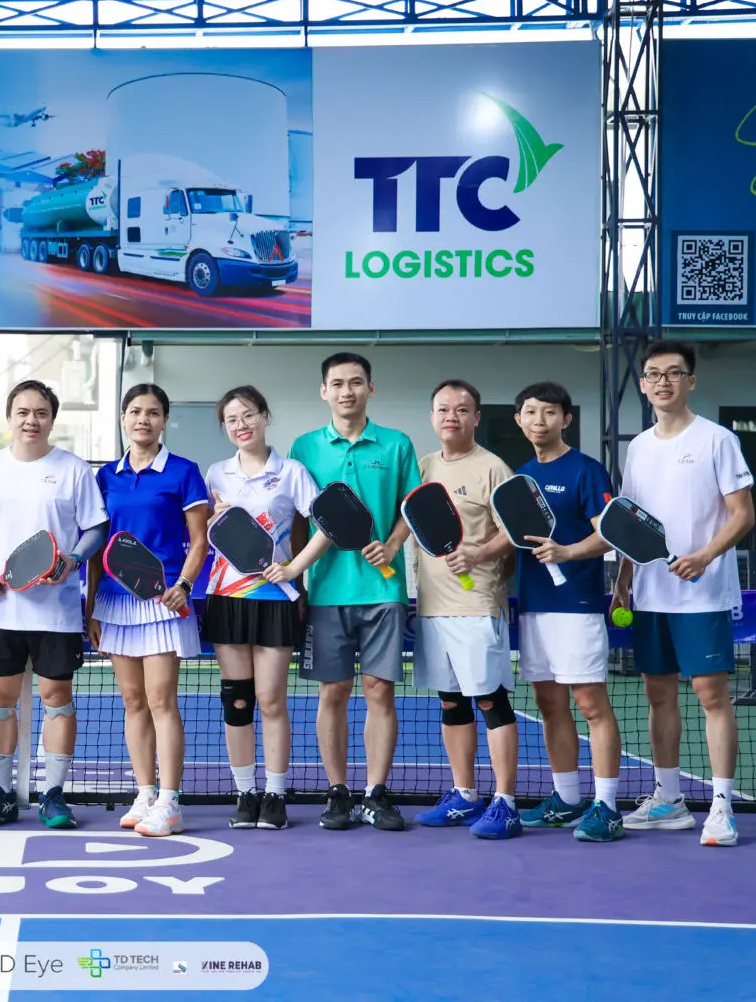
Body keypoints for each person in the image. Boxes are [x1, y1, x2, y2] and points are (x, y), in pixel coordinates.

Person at [613, 341, 754, 847]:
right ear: (644, 384)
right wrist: (623, 580)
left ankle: (722, 808)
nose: (663, 382)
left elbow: (743, 515)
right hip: (650, 594)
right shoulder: (638, 447)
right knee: (658, 695)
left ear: (690, 382)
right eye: (654, 374)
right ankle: (669, 799)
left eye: (674, 373)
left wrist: (705, 556)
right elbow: (630, 522)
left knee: (711, 695)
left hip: (703, 594)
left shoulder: (717, 440)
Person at [0, 380, 107, 831]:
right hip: (0, 609)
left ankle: (54, 794)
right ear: (10, 418)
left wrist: (73, 560)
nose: (32, 420)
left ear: (52, 419)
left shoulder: (74, 470)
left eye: (41, 412)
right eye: (23, 412)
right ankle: (0, 793)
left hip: (56, 611)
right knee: (0, 699)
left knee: (57, 698)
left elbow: (95, 529)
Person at [289, 352, 419, 832]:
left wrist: (393, 545)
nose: (347, 391)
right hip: (326, 591)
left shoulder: (397, 443)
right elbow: (298, 520)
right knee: (334, 692)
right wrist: (299, 582)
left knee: (379, 690)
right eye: (338, 383)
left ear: (371, 388)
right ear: (324, 391)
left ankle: (375, 793)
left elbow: (410, 508)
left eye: (356, 382)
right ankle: (338, 792)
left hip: (383, 590)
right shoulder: (304, 447)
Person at [86, 384, 210, 838]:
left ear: (164, 420)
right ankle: (144, 792)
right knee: (133, 700)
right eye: (135, 411)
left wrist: (183, 586)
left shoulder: (183, 471)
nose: (143, 419)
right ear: (123, 418)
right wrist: (91, 608)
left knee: (161, 700)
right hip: (115, 602)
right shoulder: (106, 476)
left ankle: (170, 802)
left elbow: (199, 540)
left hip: (163, 600)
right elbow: (99, 546)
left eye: (153, 412)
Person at [204, 385, 328, 831]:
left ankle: (275, 794)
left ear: (264, 416)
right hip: (227, 597)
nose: (241, 425)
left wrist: (293, 568)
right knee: (237, 700)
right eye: (232, 419)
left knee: (271, 699)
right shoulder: (216, 474)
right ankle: (246, 793)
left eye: (248, 415)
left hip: (274, 599)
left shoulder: (291, 471)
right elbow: (205, 533)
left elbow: (325, 525)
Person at [511, 381, 625, 843]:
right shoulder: (520, 476)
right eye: (530, 412)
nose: (539, 420)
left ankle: (608, 807)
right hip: (533, 606)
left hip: (576, 606)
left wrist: (568, 552)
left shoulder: (587, 470)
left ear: (566, 419)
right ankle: (567, 798)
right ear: (519, 420)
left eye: (549, 412)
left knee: (591, 705)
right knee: (549, 704)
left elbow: (610, 532)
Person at [410, 380, 521, 840]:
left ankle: (506, 803)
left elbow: (515, 528)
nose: (451, 416)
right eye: (443, 409)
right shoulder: (423, 466)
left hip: (476, 606)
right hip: (431, 607)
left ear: (476, 417)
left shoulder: (493, 468)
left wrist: (479, 554)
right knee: (451, 701)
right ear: (432, 417)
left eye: (461, 409)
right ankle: (465, 794)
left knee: (491, 701)